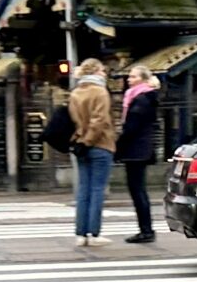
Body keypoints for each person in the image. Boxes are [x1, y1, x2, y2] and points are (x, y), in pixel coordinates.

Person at [67, 63, 117, 246]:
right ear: (95, 71)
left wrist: (81, 140)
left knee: (83, 190)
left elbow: (74, 120)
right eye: (103, 70)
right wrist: (89, 140)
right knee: (97, 190)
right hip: (100, 144)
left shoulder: (75, 93)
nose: (104, 73)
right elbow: (99, 120)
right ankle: (94, 233)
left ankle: (80, 234)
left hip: (79, 144)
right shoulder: (100, 92)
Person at [114, 67, 161, 244]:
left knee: (137, 190)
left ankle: (146, 230)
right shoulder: (141, 97)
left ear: (143, 79)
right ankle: (146, 229)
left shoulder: (140, 100)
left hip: (137, 149)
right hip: (140, 148)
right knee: (138, 189)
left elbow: (131, 128)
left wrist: (118, 148)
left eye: (133, 76)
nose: (129, 79)